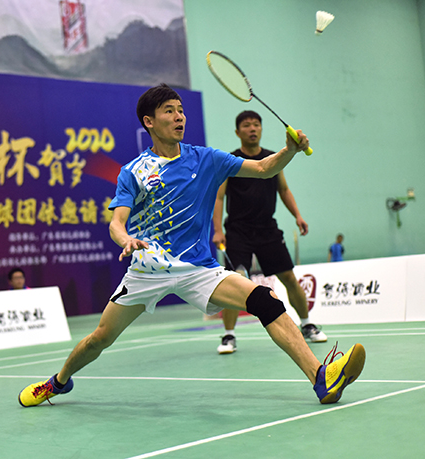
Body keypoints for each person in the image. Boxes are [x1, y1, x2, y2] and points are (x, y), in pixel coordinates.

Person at [18, 84, 365, 408]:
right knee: (100, 338)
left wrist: (289, 150)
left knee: (265, 299)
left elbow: (262, 168)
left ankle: (320, 377)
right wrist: (126, 240)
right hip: (148, 269)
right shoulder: (134, 171)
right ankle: (58, 382)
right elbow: (116, 223)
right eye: (169, 111)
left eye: (181, 110)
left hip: (198, 269)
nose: (179, 117)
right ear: (149, 122)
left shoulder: (206, 159)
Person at [211, 110, 326, 355]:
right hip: (238, 231)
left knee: (289, 277)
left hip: (267, 229)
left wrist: (298, 215)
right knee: (234, 279)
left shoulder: (273, 158)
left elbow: (283, 190)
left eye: (256, 124)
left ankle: (307, 324)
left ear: (261, 129)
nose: (252, 129)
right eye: (246, 125)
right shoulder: (230, 160)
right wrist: (218, 230)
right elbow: (219, 197)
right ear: (237, 132)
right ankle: (229, 334)